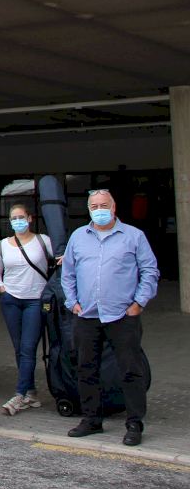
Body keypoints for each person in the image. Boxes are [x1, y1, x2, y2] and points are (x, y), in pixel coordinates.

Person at [62, 190, 158, 447]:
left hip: (122, 315)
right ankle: (92, 419)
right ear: (88, 209)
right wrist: (72, 302)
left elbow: (149, 271)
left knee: (130, 370)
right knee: (86, 369)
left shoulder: (134, 236)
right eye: (94, 206)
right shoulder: (78, 237)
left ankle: (134, 423)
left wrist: (138, 303)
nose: (99, 210)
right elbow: (68, 273)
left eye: (103, 205)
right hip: (87, 315)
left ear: (114, 208)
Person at [0, 203, 53, 415]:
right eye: (14, 218)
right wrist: (1, 287)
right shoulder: (3, 245)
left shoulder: (43, 241)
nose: (18, 221)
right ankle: (31, 392)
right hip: (11, 300)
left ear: (29, 218)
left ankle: (19, 394)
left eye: (21, 217)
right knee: (19, 348)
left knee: (28, 347)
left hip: (35, 300)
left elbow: (60, 261)